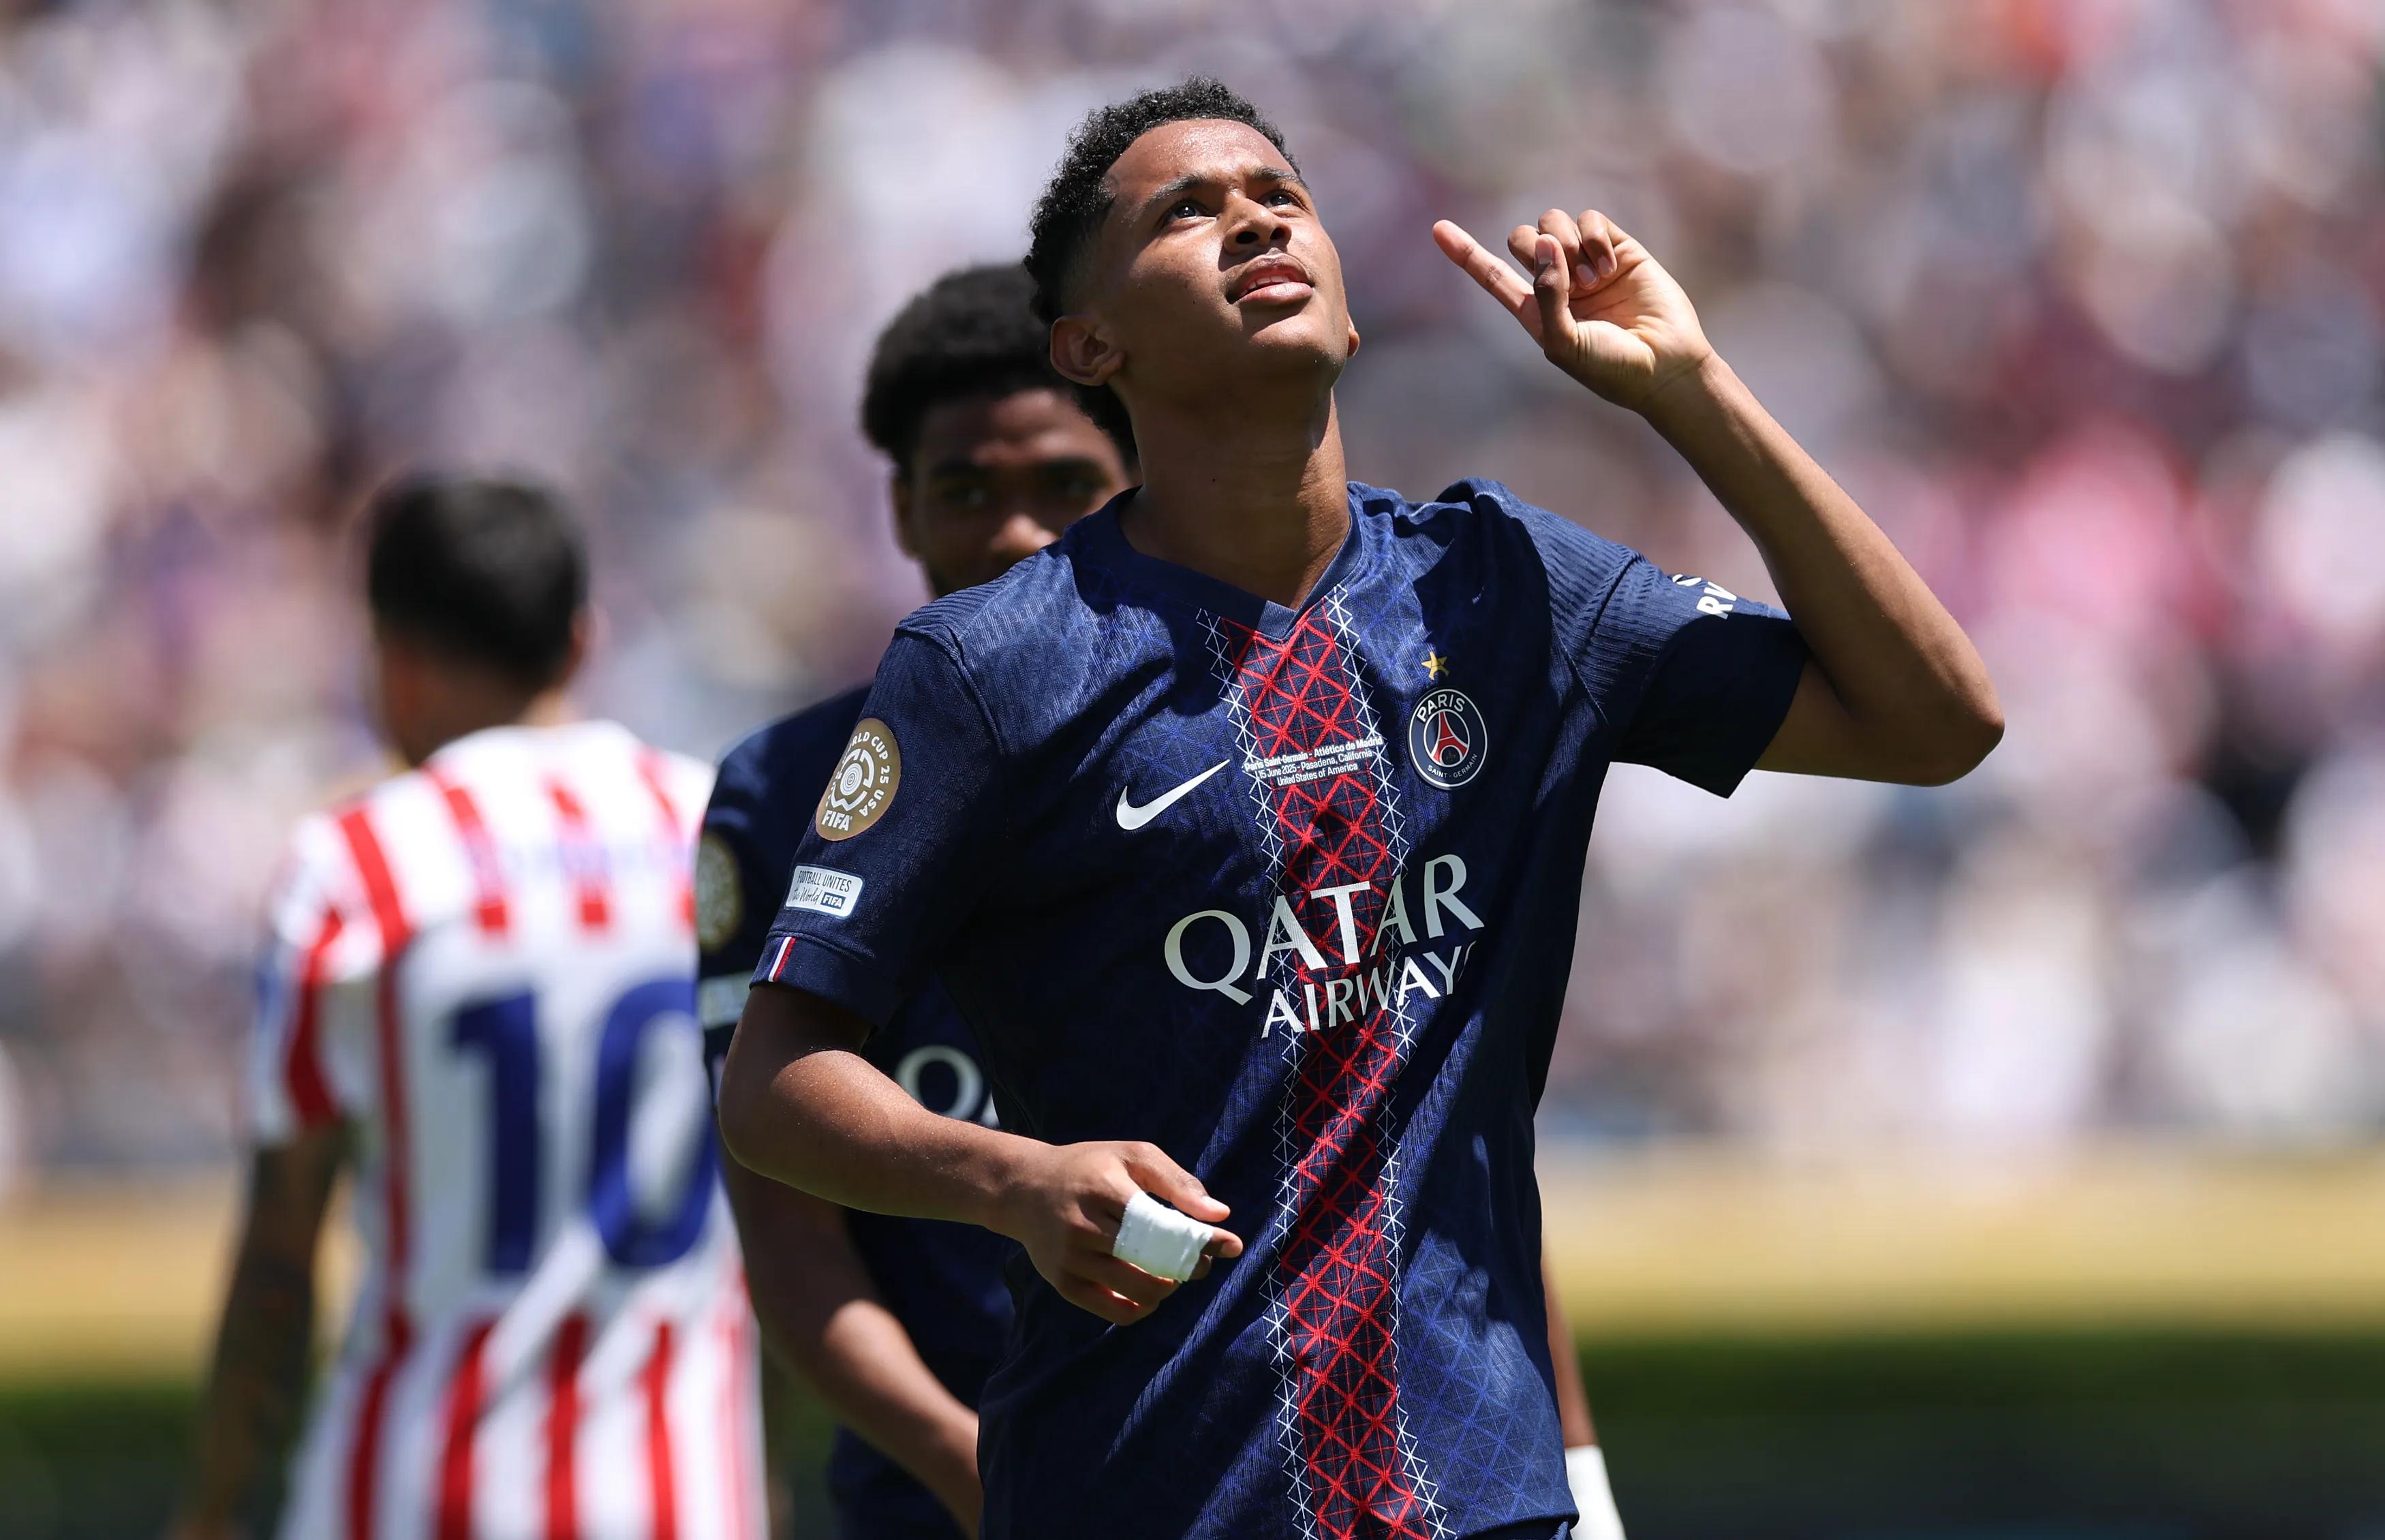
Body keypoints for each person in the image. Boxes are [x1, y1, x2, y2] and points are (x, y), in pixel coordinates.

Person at [720, 76, 2001, 1540]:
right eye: (1184, 211)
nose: (1253, 217)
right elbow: (773, 1082)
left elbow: (1936, 719)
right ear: (1089, 346)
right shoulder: (993, 663)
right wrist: (1013, 1179)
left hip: (1478, 1497)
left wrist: (1688, 390)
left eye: (1280, 194)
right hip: (1143, 1496)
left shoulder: (1508, 584)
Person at [698, 264, 1613, 1537]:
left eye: (1062, 486)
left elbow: (1429, 1153)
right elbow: (795, 1244)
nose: (1013, 530)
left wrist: (1581, 1468)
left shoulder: (1275, 735)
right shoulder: (797, 790)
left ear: (1127, 480)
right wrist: (976, 1466)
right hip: (962, 1487)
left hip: (1236, 1474)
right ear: (898, 508)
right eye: (966, 490)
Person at [178, 476, 761, 1540]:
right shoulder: (722, 830)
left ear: (392, 659)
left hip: (418, 1493)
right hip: (683, 1495)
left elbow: (279, 1256)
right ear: (582, 641)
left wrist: (216, 1510)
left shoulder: (357, 867)